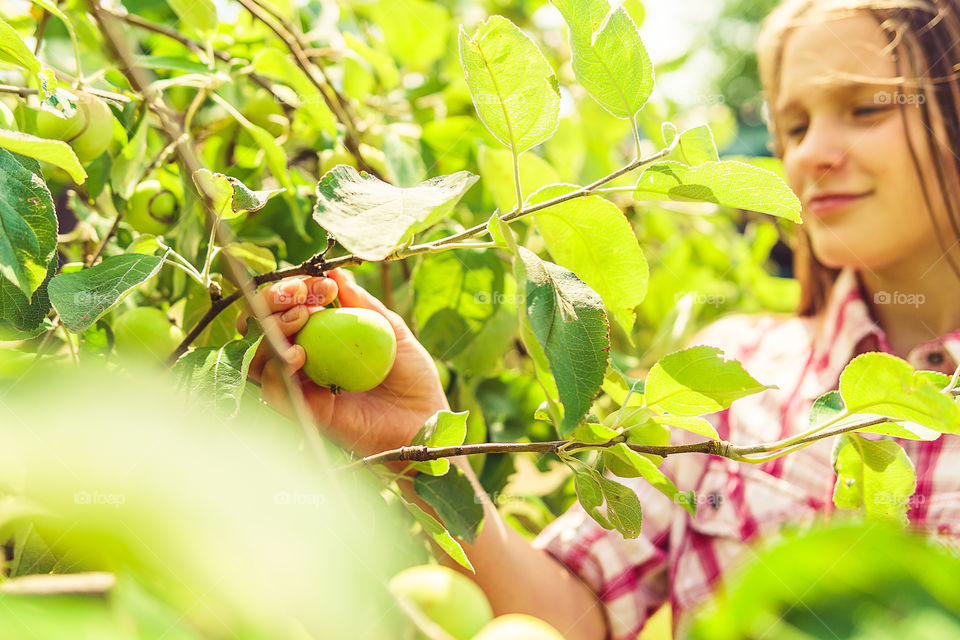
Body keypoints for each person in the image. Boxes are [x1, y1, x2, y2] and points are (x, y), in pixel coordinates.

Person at [239, 1, 960, 638]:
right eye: (794, 125)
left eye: (867, 108)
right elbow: (562, 618)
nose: (813, 155)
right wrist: (416, 440)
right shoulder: (731, 375)